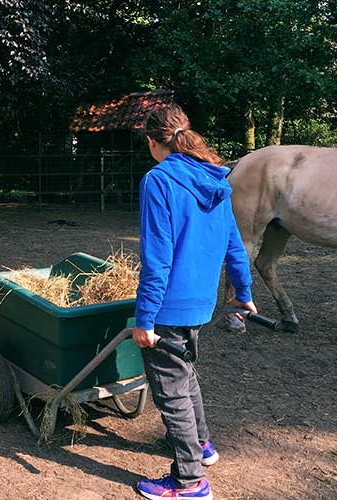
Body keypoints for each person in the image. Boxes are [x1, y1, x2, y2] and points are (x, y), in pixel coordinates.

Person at [132, 104, 256, 500]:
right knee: (184, 374)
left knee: (169, 388)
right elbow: (235, 246)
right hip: (201, 304)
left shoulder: (158, 180)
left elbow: (157, 256)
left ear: (152, 141)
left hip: (169, 304)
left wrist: (144, 317)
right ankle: (202, 446)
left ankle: (189, 480)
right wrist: (243, 294)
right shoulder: (214, 177)